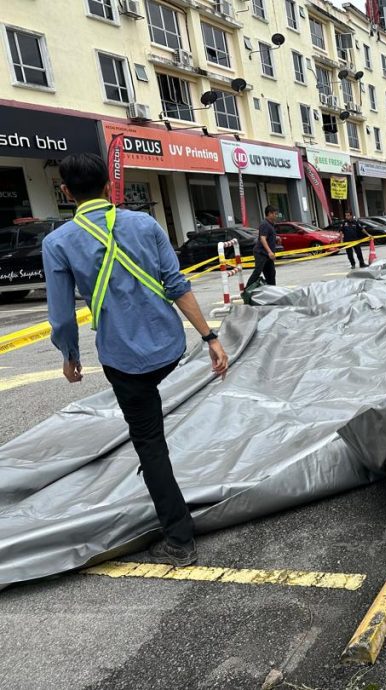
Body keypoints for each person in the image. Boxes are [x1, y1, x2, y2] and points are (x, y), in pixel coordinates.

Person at [42, 152, 229, 567]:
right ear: (109, 188)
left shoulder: (58, 243)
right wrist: (210, 337)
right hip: (168, 345)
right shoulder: (145, 224)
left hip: (122, 356)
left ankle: (179, 541)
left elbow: (60, 314)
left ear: (66, 192)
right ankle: (166, 474)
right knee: (155, 418)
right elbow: (176, 283)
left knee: (149, 441)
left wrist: (70, 355)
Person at [245, 205, 279, 289]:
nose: (276, 216)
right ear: (270, 214)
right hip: (261, 253)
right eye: (275, 214)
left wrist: (276, 238)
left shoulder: (271, 224)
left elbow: (267, 236)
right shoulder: (265, 224)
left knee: (271, 273)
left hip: (267, 254)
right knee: (258, 271)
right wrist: (269, 252)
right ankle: (247, 290)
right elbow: (262, 238)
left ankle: (272, 290)